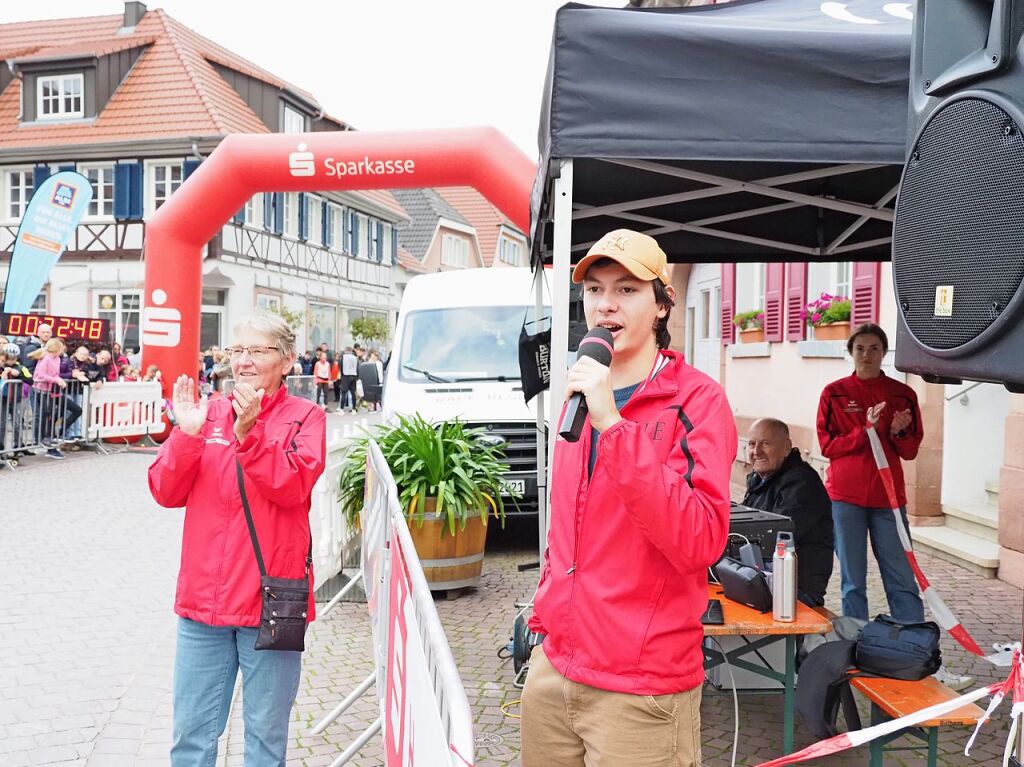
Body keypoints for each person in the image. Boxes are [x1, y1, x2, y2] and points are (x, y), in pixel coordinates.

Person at [520, 229, 737, 767]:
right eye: (594, 289)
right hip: (556, 667)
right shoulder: (578, 389)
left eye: (627, 289)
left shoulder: (699, 402)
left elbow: (701, 541)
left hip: (640, 684)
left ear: (662, 304)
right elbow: (567, 526)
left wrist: (613, 426)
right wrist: (546, 614)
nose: (605, 304)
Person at [148, 314, 326, 766]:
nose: (243, 362)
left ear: (286, 360)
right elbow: (165, 492)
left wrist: (250, 436)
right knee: (190, 738)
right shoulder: (206, 414)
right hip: (202, 605)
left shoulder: (307, 418)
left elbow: (291, 486)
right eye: (237, 351)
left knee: (265, 739)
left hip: (270, 603)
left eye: (258, 351)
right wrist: (185, 436)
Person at [742, 417, 834, 607]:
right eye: (752, 444)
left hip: (796, 590)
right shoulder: (760, 478)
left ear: (786, 447)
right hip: (767, 579)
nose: (756, 451)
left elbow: (775, 537)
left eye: (765, 444)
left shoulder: (802, 482)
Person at [29, 338, 82, 459]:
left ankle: (60, 432)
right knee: (48, 415)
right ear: (57, 348)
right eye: (62, 348)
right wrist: (57, 380)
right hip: (42, 391)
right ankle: (48, 443)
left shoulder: (57, 359)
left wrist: (59, 380)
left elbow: (55, 374)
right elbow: (40, 375)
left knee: (77, 410)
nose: (64, 350)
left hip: (55, 391)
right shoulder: (45, 358)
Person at [340, 347, 359, 412]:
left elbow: (341, 366)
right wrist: (357, 376)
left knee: (344, 393)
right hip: (353, 376)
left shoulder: (344, 357)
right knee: (353, 393)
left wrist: (342, 376)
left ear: (346, 351)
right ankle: (354, 408)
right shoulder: (355, 358)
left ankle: (341, 408)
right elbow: (357, 367)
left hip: (346, 376)